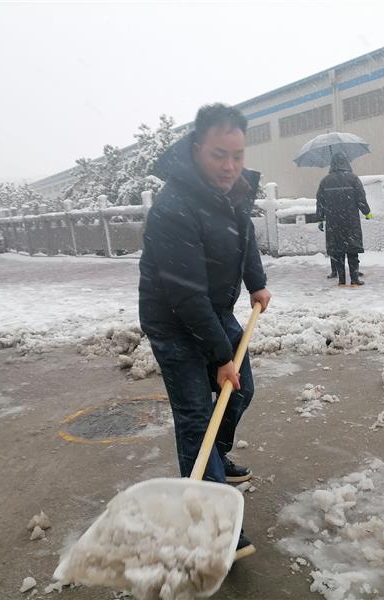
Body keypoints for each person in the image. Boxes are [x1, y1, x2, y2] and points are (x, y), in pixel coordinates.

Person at [139, 103, 271, 560]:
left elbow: (245, 235)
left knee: (241, 390)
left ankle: (214, 458)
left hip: (213, 310)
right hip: (175, 320)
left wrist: (256, 281)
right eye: (219, 155)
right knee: (197, 415)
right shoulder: (173, 208)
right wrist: (220, 357)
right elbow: (185, 297)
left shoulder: (232, 190)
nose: (230, 166)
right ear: (196, 149)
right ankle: (214, 524)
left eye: (236, 155)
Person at [316, 152, 372, 287]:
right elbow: (361, 198)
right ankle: (354, 279)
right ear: (346, 163)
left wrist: (320, 219)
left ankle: (341, 280)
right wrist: (367, 212)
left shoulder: (325, 181)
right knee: (352, 251)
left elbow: (320, 202)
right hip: (350, 221)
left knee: (337, 251)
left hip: (333, 222)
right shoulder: (353, 179)